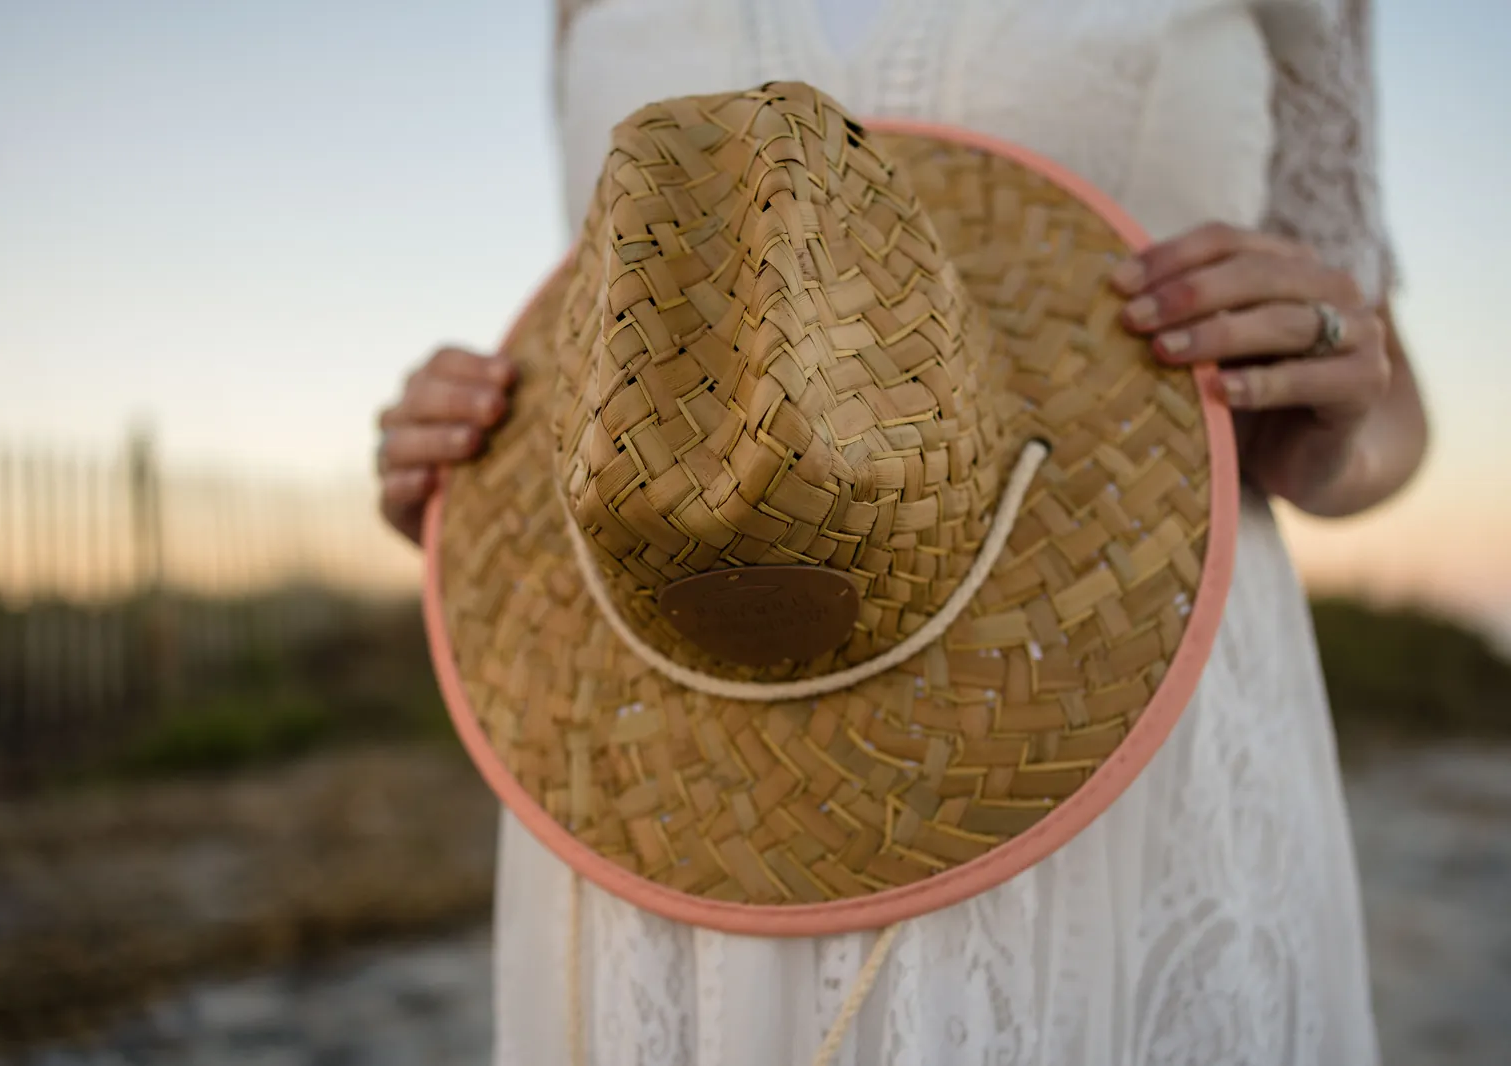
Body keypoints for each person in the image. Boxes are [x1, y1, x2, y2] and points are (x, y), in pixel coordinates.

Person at [376, 1, 1428, 1062]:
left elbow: (1393, 414)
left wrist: (1328, 425)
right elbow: (645, 355)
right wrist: (475, 462)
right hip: (669, 752)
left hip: (1126, 695)